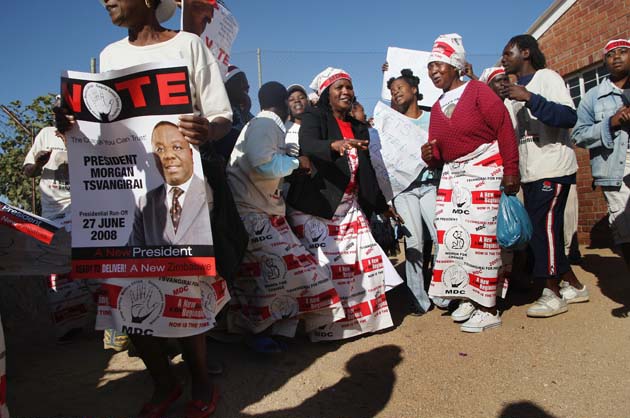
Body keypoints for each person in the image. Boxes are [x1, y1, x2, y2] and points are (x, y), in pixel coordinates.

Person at [94, 1, 232, 417]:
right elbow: (105, 125)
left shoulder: (188, 46)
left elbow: (220, 114)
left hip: (182, 187)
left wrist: (207, 130)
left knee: (183, 284)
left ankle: (201, 381)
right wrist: (74, 126)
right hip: (128, 189)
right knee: (126, 289)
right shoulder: (110, 56)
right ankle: (164, 381)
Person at [287, 67, 403, 341]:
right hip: (320, 207)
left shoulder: (358, 126)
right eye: (339, 87)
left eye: (349, 87)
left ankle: (368, 322)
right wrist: (333, 145)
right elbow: (309, 144)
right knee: (329, 270)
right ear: (327, 93)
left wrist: (381, 206)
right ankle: (328, 329)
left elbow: (367, 174)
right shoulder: (314, 117)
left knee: (369, 262)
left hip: (350, 207)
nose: (346, 92)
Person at [226, 82, 343, 342]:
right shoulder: (266, 125)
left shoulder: (264, 125)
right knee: (295, 273)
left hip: (262, 209)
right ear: (283, 103)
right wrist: (296, 162)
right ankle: (262, 332)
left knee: (265, 278)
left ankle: (275, 331)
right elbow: (263, 165)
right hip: (253, 211)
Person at [422, 34, 519, 332]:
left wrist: (511, 170)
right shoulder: (437, 107)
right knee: (455, 242)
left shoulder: (477, 91)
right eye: (430, 66)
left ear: (455, 65)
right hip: (454, 180)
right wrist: (430, 156)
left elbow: (504, 128)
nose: (434, 71)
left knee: (484, 243)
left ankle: (487, 307)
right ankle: (466, 294)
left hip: (485, 173)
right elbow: (440, 153)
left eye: (439, 64)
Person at [501, 34, 588, 317]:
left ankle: (551, 292)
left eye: (508, 52)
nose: (503, 58)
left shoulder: (547, 78)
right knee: (540, 230)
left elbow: (568, 117)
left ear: (525, 52)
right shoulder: (510, 93)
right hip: (530, 174)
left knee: (543, 228)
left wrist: (530, 99)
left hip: (554, 168)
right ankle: (573, 287)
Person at [23, 99, 94, 343]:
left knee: (91, 262)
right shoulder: (45, 135)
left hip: (83, 207)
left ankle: (107, 322)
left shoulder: (87, 136)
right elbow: (28, 171)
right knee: (57, 271)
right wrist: (40, 163)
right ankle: (69, 325)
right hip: (53, 212)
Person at [384, 68, 441, 315]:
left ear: (414, 89)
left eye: (400, 88)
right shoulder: (390, 126)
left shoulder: (432, 119)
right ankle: (419, 298)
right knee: (414, 242)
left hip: (430, 186)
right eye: (392, 90)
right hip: (405, 191)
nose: (396, 92)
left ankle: (444, 290)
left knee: (442, 237)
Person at [573, 39, 630, 270]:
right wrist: (611, 123)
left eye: (623, 51)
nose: (616, 57)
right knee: (626, 231)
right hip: (615, 168)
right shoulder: (593, 97)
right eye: (610, 54)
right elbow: (578, 134)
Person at [128, 121, 212, 246]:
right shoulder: (145, 203)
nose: (168, 155)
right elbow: (133, 252)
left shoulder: (211, 192)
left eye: (177, 147)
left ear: (191, 153)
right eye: (160, 149)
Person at [209, 65, 254, 164]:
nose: (247, 86)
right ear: (226, 86)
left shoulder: (247, 114)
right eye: (240, 81)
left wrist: (245, 113)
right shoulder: (217, 112)